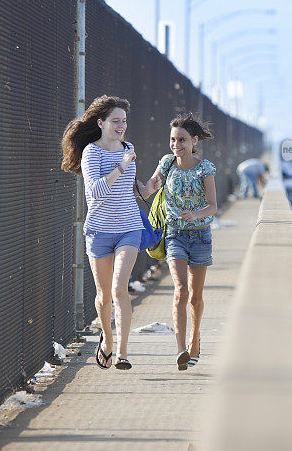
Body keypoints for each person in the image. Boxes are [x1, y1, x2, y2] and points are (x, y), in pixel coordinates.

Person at [61, 95, 159, 370]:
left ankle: (123, 354)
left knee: (119, 290)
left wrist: (149, 187)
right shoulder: (92, 152)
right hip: (100, 231)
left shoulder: (128, 148)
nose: (121, 126)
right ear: (101, 123)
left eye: (124, 121)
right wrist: (121, 166)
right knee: (104, 296)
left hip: (129, 226)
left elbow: (131, 189)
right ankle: (106, 340)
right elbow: (95, 192)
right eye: (116, 121)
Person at [150, 113, 217, 371]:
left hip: (200, 235)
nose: (176, 144)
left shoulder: (205, 168)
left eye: (182, 140)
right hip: (175, 234)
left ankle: (195, 338)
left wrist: (194, 214)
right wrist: (138, 185)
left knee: (195, 297)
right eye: (173, 139)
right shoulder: (167, 164)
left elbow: (213, 206)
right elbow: (151, 186)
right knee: (181, 290)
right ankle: (181, 350)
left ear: (194, 141)